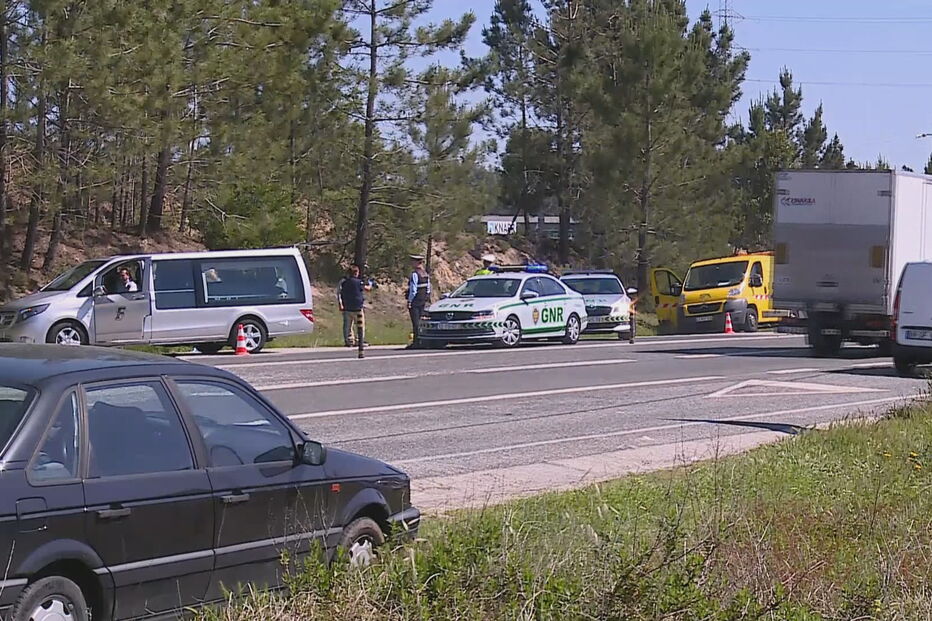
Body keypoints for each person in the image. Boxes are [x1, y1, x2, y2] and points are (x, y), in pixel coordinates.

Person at [337, 264, 371, 348]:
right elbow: (367, 288)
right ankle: (359, 340)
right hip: (358, 307)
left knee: (347, 325)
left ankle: (349, 341)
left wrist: (340, 304)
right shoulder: (359, 282)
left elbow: (339, 293)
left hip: (347, 307)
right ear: (356, 273)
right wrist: (370, 283)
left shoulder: (343, 282)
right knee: (360, 325)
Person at [406, 254, 431, 349]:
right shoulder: (425, 274)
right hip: (423, 299)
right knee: (421, 321)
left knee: (415, 322)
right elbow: (428, 288)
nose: (412, 263)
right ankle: (421, 340)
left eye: (413, 261)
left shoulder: (415, 274)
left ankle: (416, 342)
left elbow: (413, 290)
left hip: (416, 300)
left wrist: (409, 301)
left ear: (416, 262)